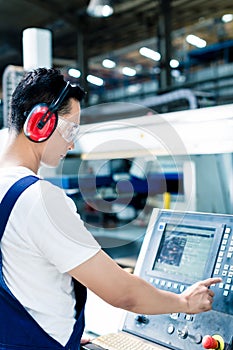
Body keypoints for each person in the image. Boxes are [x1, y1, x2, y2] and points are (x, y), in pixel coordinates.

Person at [0, 67, 221, 350]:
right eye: (70, 129)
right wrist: (184, 302)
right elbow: (123, 293)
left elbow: (18, 275)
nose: (71, 142)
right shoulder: (38, 198)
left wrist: (58, 328)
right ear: (39, 123)